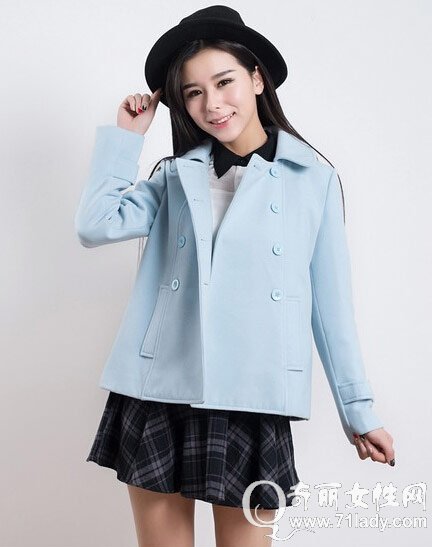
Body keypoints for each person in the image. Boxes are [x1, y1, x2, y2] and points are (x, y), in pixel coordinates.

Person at [75, 5, 395, 547]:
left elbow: (330, 308)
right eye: (193, 92)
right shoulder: (174, 176)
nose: (212, 104)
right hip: (161, 392)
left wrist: (358, 413)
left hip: (253, 395)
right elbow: (95, 225)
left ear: (256, 79)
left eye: (224, 82)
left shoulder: (312, 180)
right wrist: (126, 138)